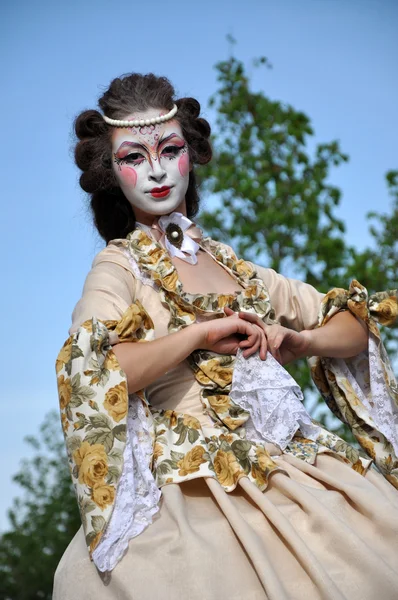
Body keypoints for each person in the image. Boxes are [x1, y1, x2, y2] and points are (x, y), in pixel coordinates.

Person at [54, 73, 398, 600]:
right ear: (111, 172)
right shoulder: (118, 267)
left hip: (298, 470)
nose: (157, 170)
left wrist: (302, 341)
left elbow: (355, 324)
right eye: (134, 157)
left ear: (191, 154)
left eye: (170, 149)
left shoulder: (235, 267)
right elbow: (101, 370)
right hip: (192, 497)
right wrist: (197, 335)